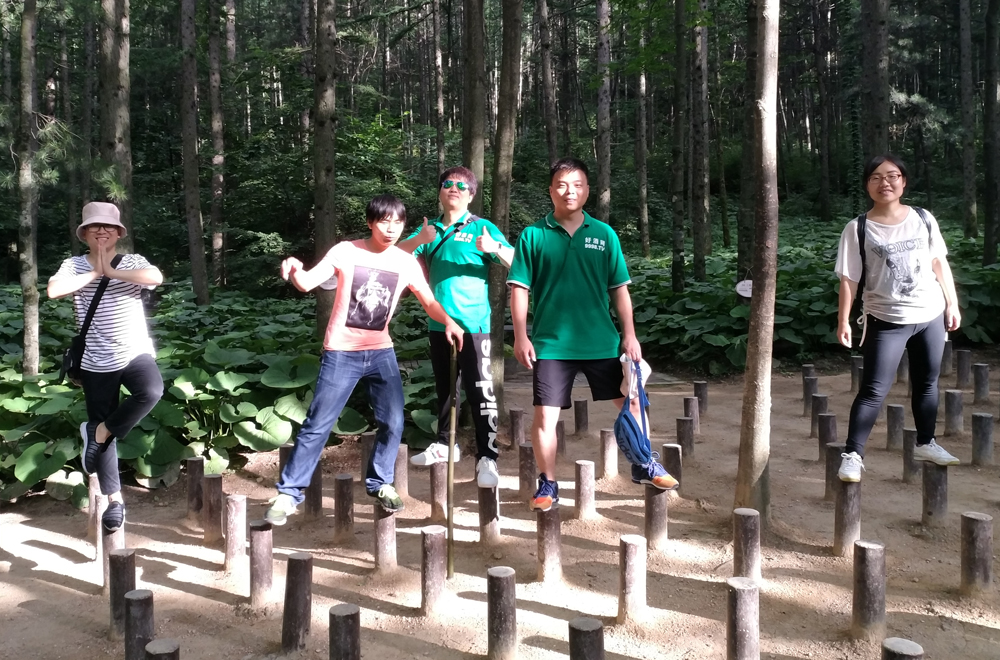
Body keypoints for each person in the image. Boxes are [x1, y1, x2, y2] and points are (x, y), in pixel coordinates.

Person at [266, 194, 464, 524]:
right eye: (384, 221)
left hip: (381, 351)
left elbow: (429, 302)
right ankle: (289, 494)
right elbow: (307, 282)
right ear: (371, 223)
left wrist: (449, 322)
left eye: (398, 222)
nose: (391, 229)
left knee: (394, 421)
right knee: (318, 424)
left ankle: (380, 482)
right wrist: (295, 268)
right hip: (341, 352)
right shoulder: (347, 251)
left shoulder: (406, 262)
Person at [507, 158, 677, 512]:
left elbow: (619, 289)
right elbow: (520, 288)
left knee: (633, 401)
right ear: (551, 190)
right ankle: (548, 482)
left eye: (577, 185)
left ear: (587, 190)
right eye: (562, 185)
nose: (569, 191)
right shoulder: (533, 235)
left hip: (602, 340)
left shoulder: (604, 234)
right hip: (552, 344)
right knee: (545, 416)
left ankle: (644, 463)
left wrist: (630, 335)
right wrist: (521, 336)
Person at [835, 154, 961, 482]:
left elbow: (938, 262)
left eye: (892, 176)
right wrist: (843, 320)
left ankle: (926, 443)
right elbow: (849, 278)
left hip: (930, 314)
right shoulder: (858, 228)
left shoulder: (923, 218)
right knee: (874, 389)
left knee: (927, 382)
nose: (885, 183)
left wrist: (952, 303)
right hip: (885, 318)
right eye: (876, 177)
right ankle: (852, 454)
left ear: (903, 181)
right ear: (867, 185)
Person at [47, 202, 164, 532]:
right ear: (84, 233)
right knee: (104, 429)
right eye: (95, 226)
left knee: (151, 391)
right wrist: (96, 272)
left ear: (118, 233)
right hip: (96, 360)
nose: (102, 231)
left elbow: (155, 277)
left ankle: (97, 431)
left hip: (134, 351)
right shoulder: (72, 265)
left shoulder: (132, 262)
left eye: (108, 226)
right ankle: (115, 500)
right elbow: (54, 290)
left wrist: (112, 272)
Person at [398, 166, 514, 488]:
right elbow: (393, 255)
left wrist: (494, 249)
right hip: (439, 324)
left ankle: (487, 457)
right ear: (439, 191)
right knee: (446, 389)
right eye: (448, 183)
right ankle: (445, 444)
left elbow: (518, 262)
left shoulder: (482, 227)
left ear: (471, 195)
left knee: (481, 391)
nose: (454, 188)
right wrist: (419, 240)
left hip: (474, 325)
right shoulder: (429, 229)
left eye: (462, 185)